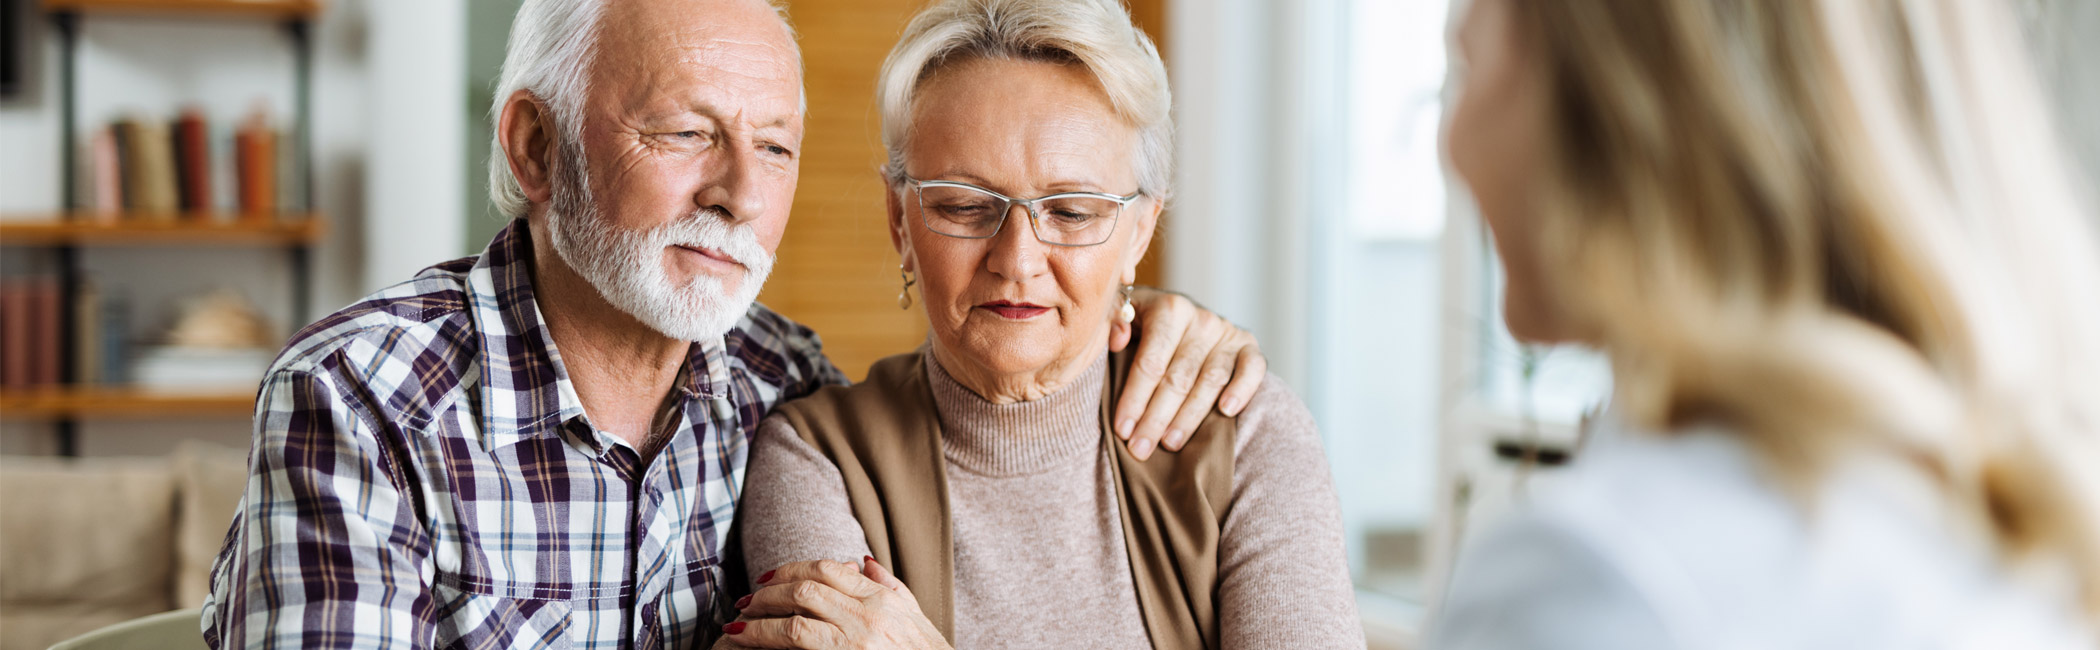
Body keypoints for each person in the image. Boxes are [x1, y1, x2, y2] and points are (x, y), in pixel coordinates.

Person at [197, 0, 1272, 647]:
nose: (738, 194)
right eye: (682, 133)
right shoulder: (362, 395)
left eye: (777, 147)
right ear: (534, 148)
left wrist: (1135, 315)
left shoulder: (787, 388)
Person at [1429, 0, 2100, 648]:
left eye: (1469, 65)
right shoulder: (2001, 532)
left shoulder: (1598, 574)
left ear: (1613, 91)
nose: (1451, 144)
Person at [714, 1, 1364, 648]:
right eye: (965, 206)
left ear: (1139, 230)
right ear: (898, 220)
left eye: (1073, 212)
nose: (1016, 260)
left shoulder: (1244, 435)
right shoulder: (816, 459)